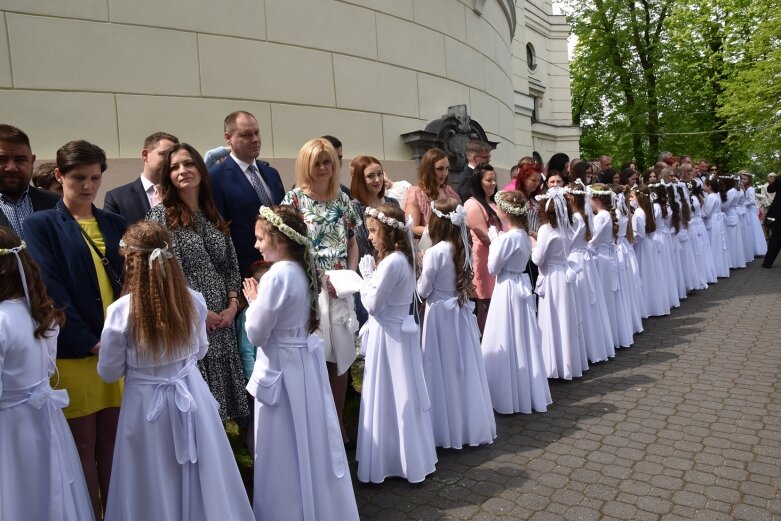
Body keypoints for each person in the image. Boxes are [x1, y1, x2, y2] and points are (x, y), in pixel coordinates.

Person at [97, 221, 254, 521]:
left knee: (152, 476)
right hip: (190, 393)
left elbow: (109, 371)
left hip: (145, 405)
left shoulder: (121, 312)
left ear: (130, 262)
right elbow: (200, 349)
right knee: (201, 471)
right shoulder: (192, 300)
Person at [23, 140, 126, 517]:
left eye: (95, 178)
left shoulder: (114, 222)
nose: (88, 186)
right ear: (59, 176)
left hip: (116, 352)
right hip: (76, 351)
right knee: (82, 443)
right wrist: (90, 341)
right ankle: (88, 512)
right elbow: (51, 287)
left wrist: (119, 341)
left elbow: (129, 283)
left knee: (113, 442)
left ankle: (115, 510)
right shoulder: (41, 224)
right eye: (79, 178)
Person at [241, 205, 359, 521]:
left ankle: (287, 509)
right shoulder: (304, 267)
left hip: (281, 369)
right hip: (304, 368)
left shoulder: (277, 274)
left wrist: (253, 303)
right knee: (308, 438)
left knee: (281, 447)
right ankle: (315, 503)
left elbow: (255, 333)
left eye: (259, 238)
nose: (256, 245)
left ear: (278, 238)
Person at [146, 143, 249, 422]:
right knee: (199, 406)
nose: (183, 171)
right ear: (167, 176)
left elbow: (230, 265)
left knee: (226, 407)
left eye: (188, 164)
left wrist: (232, 305)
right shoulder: (160, 216)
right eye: (174, 167)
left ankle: (224, 459)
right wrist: (197, 312)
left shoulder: (212, 214)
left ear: (201, 170)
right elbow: (166, 273)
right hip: (189, 319)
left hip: (222, 320)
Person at [0, 227, 94, 521]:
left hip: (11, 425)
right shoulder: (42, 312)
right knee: (47, 485)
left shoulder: (2, 320)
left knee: (18, 492)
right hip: (43, 417)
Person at [282, 137, 361, 446]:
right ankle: (317, 428)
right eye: (318, 162)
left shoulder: (343, 199)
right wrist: (318, 277)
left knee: (340, 358)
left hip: (341, 290)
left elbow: (352, 241)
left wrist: (348, 274)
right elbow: (289, 247)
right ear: (306, 165)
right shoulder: (293, 200)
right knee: (315, 356)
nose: (324, 167)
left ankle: (337, 422)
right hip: (312, 291)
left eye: (329, 161)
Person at [356, 203, 437, 483]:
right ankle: (406, 455)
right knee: (401, 391)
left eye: (374, 231)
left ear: (390, 232)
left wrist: (365, 279)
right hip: (397, 335)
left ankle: (391, 458)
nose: (370, 237)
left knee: (390, 394)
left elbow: (374, 305)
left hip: (388, 335)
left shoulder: (392, 262)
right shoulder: (402, 257)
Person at [418, 199, 496, 449]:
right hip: (459, 314)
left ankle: (444, 427)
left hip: (440, 316)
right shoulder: (460, 247)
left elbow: (423, 290)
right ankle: (468, 423)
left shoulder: (434, 252)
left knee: (441, 367)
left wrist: (420, 268)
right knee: (461, 368)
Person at [481, 191, 551, 414]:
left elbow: (493, 268)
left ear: (504, 211)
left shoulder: (509, 237)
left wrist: (494, 241)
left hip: (508, 289)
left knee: (506, 335)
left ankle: (505, 393)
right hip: (519, 284)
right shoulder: (522, 233)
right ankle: (524, 387)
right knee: (521, 337)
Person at [210, 111, 286, 275]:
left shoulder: (272, 174)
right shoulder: (216, 178)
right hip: (246, 273)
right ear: (228, 138)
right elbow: (219, 233)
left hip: (281, 266)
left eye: (257, 132)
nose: (255, 139)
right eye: (246, 135)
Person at [533, 187, 589, 379]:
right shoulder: (567, 227)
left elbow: (538, 259)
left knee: (553, 318)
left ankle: (553, 364)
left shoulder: (545, 230)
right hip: (564, 274)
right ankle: (568, 363)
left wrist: (533, 244)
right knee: (566, 318)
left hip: (552, 277)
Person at [566, 182, 615, 362]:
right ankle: (593, 344)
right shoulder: (585, 215)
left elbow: (569, 242)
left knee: (582, 301)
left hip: (577, 258)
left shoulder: (577, 218)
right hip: (584, 259)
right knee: (589, 301)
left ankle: (587, 346)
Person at [349, 155, 399, 326]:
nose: (377, 179)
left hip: (396, 272)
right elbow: (363, 245)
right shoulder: (354, 208)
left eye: (380, 173)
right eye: (370, 176)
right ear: (360, 180)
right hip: (371, 276)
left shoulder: (392, 203)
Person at [589, 184, 634, 348]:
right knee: (611, 296)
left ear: (596, 199)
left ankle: (609, 338)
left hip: (602, 259)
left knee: (606, 296)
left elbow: (592, 241)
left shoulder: (601, 216)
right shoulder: (607, 215)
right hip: (607, 256)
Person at [103, 132, 178, 224]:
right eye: (164, 154)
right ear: (145, 155)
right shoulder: (118, 198)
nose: (170, 160)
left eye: (173, 156)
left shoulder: (183, 193)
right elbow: (112, 235)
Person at [0, 124, 60, 238]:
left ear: (32, 162)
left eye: (20, 159)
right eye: (1, 159)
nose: (11, 167)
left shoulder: (56, 203)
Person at [464, 163, 501, 333]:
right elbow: (485, 237)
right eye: (489, 180)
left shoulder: (494, 201)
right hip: (484, 258)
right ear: (478, 182)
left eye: (494, 179)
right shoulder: (472, 205)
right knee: (484, 304)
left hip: (499, 255)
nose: (493, 183)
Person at [405, 148, 460, 249]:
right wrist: (439, 230)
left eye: (447, 168)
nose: (444, 173)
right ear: (428, 169)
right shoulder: (416, 193)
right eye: (440, 169)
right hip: (427, 249)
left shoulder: (450, 192)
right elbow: (411, 228)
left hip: (451, 248)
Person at [630, 186, 670, 317]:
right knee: (651, 273)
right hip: (648, 243)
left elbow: (639, 235)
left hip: (642, 245)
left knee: (645, 273)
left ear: (639, 197)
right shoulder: (647, 210)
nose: (631, 199)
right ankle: (652, 303)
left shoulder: (639, 213)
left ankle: (647, 305)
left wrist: (631, 243)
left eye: (632, 197)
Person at [702, 177, 731, 278]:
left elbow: (706, 213)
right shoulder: (716, 196)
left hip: (713, 221)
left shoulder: (710, 197)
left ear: (709, 186)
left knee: (714, 243)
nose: (703, 186)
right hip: (717, 220)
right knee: (719, 243)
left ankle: (715, 268)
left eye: (704, 185)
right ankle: (720, 268)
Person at [740, 172, 767, 257]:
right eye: (742, 179)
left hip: (749, 211)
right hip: (747, 210)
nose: (743, 180)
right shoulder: (744, 188)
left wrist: (743, 204)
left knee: (751, 229)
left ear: (749, 180)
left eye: (745, 179)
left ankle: (755, 249)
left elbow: (751, 201)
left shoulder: (750, 189)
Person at [762, 173, 781, 268]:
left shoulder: (779, 178)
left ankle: (768, 262)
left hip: (779, 212)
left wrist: (776, 179)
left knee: (776, 237)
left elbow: (770, 189)